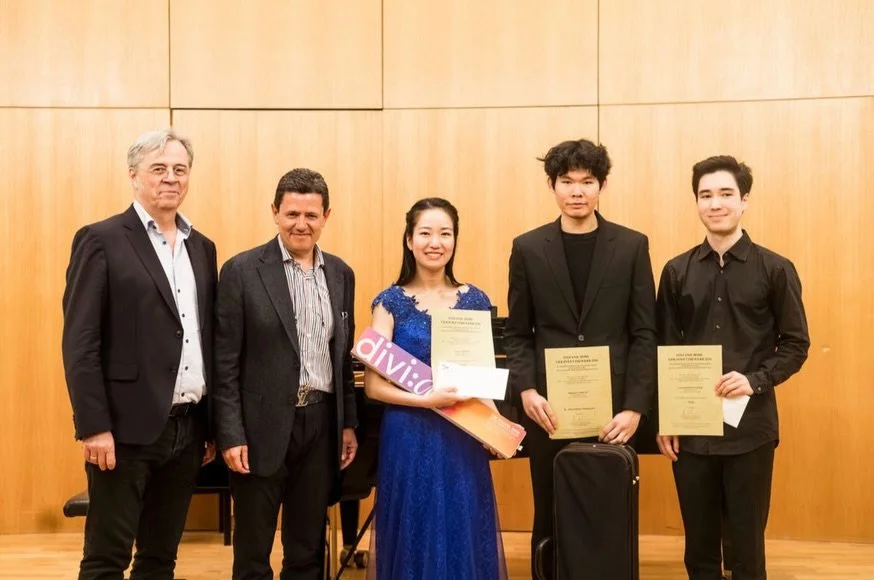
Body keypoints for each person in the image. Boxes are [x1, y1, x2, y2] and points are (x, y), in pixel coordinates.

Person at [62, 128, 217, 579]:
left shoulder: (201, 248)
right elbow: (80, 343)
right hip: (122, 433)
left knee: (159, 559)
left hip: (187, 433)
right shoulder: (101, 239)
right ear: (134, 176)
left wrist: (208, 425)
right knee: (106, 559)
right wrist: (94, 427)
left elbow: (203, 337)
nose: (171, 178)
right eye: (158, 169)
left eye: (179, 169)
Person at [503, 138, 657, 579]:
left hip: (614, 410)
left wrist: (635, 407)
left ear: (601, 185)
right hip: (548, 408)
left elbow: (644, 333)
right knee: (549, 512)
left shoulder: (631, 246)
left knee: (607, 512)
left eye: (587, 182)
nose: (577, 191)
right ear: (552, 185)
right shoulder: (528, 248)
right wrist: (527, 390)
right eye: (566, 181)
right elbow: (518, 333)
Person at [656, 155, 810, 580]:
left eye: (725, 194)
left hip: (751, 431)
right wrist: (666, 417)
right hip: (692, 430)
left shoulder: (775, 268)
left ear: (744, 201)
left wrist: (754, 380)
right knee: (699, 548)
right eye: (705, 195)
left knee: (745, 547)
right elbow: (665, 348)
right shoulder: (676, 271)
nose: (715, 203)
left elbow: (796, 345)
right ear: (697, 203)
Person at [214, 168, 358, 580]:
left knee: (307, 548)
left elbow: (342, 356)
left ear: (326, 216)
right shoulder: (242, 272)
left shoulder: (340, 274)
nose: (301, 224)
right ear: (275, 212)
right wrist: (231, 433)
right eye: (292, 213)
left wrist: (348, 423)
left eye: (311, 215)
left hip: (320, 424)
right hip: (259, 428)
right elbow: (225, 360)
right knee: (253, 552)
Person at [363, 198, 507, 580]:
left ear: (455, 240)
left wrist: (495, 427)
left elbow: (482, 375)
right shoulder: (389, 302)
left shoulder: (475, 300)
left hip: (462, 433)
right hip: (409, 434)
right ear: (409, 240)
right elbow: (374, 387)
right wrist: (426, 399)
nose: (435, 242)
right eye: (425, 233)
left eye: (445, 233)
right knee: (415, 526)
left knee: (462, 525)